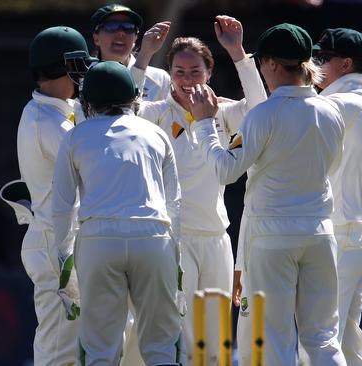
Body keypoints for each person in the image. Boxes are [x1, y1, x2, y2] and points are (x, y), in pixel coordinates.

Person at [187, 24, 347, 365]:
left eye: (261, 63)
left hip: (273, 240)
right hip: (320, 234)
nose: (262, 68)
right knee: (323, 339)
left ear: (272, 64)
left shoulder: (264, 115)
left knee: (269, 341)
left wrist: (203, 123)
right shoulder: (331, 111)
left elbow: (225, 171)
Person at [136, 15, 267, 364]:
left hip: (216, 237)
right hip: (174, 239)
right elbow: (125, 112)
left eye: (195, 72)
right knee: (185, 336)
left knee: (216, 340)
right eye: (179, 72)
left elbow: (260, 107)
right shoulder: (156, 113)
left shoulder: (221, 112)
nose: (186, 80)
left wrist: (238, 52)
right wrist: (144, 56)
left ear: (209, 73)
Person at [52, 60, 183, 366]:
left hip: (98, 240)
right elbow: (175, 204)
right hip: (154, 237)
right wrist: (175, 258)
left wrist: (64, 257)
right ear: (134, 97)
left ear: (87, 101)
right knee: (163, 347)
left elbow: (61, 206)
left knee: (99, 349)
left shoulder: (75, 136)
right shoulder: (156, 134)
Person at [15, 26, 95, 366]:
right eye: (77, 66)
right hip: (54, 246)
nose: (83, 74)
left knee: (78, 345)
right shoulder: (45, 120)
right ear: (60, 68)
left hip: (66, 240)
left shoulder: (63, 109)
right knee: (61, 348)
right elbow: (93, 163)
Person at [308, 28, 362, 366]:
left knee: (317, 344)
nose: (315, 64)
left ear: (346, 63)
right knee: (347, 347)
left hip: (339, 239)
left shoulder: (338, 104)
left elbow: (282, 115)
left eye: (323, 58)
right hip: (356, 238)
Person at [90, 3, 171, 102]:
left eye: (128, 27)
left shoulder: (160, 79)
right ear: (96, 38)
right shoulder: (81, 80)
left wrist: (145, 55)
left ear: (136, 38)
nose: (121, 33)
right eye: (112, 26)